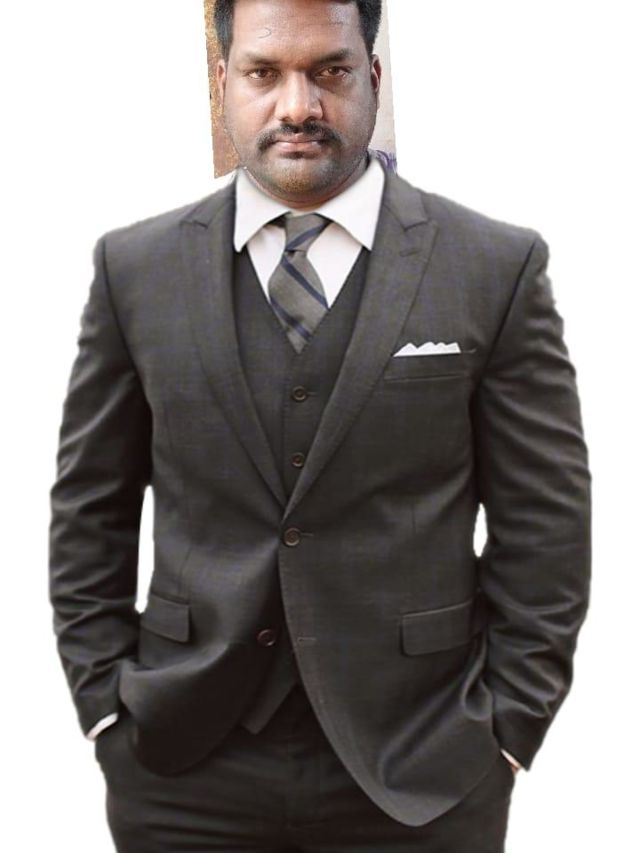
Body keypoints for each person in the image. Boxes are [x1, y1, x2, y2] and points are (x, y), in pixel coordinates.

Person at [48, 0, 591, 850]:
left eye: (329, 71)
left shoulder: (495, 266)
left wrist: (508, 727)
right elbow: (91, 509)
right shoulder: (134, 269)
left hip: (423, 764)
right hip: (182, 763)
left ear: (372, 77)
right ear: (224, 83)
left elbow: (546, 524)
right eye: (264, 73)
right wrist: (103, 708)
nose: (297, 104)